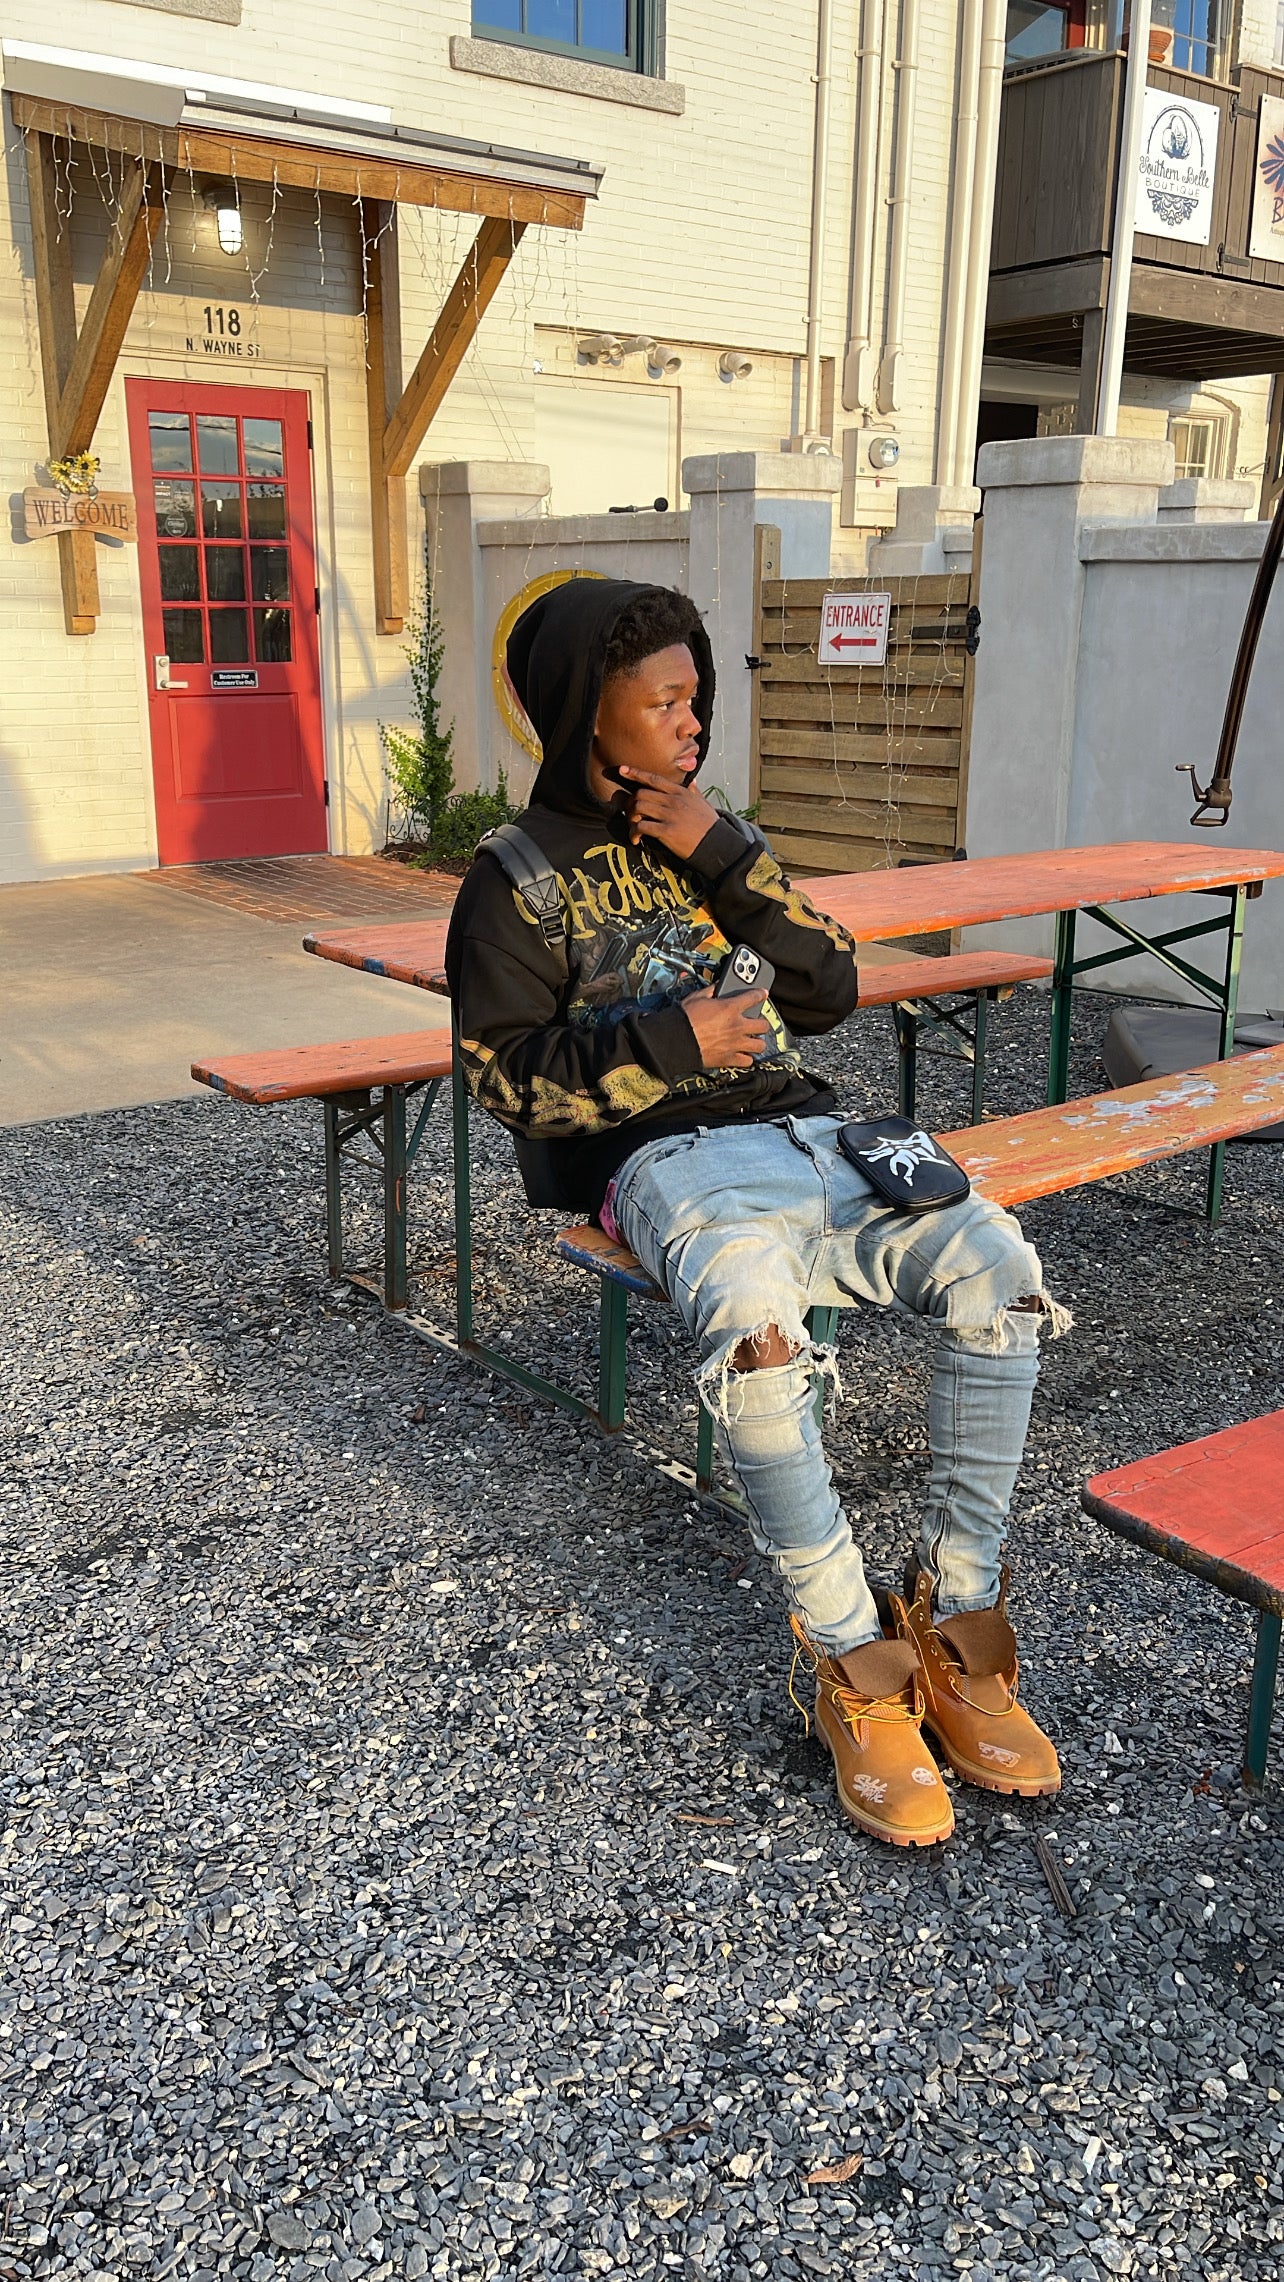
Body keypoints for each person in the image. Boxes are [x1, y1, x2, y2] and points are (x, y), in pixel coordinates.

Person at [446, 577, 1068, 1848]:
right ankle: (854, 1658)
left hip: (820, 1133)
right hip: (671, 1160)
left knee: (1001, 1272)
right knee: (759, 1344)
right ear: (584, 711)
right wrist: (671, 1042)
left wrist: (721, 852)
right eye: (663, 702)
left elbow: (829, 988)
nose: (691, 723)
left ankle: (954, 1621)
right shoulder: (513, 879)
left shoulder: (712, 836)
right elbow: (503, 1079)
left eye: (698, 697)